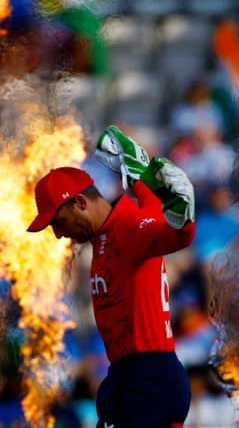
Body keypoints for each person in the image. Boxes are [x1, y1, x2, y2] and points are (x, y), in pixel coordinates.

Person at [27, 125, 196, 427]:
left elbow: (175, 237)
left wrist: (184, 216)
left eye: (58, 221)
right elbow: (153, 207)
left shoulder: (127, 228)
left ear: (80, 203)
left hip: (148, 381)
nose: (57, 233)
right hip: (130, 377)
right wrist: (139, 173)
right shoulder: (112, 230)